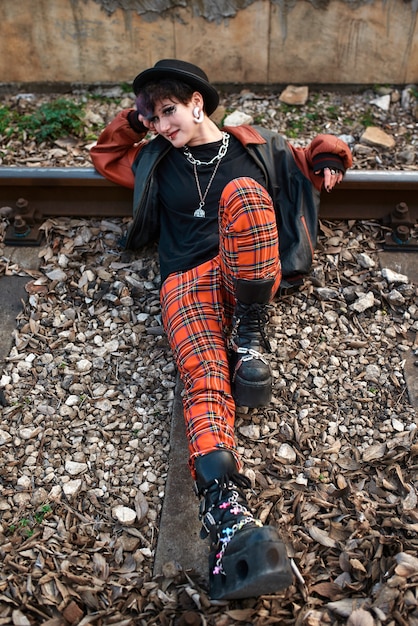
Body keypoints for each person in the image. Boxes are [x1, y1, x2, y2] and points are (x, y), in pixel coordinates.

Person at [90, 59, 352, 600]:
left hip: (247, 276)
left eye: (168, 111)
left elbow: (320, 151)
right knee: (203, 374)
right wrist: (135, 122)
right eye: (152, 115)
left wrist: (330, 154)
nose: (163, 124)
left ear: (197, 103)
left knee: (244, 196)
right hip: (186, 282)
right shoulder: (155, 158)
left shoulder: (254, 147)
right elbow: (106, 155)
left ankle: (250, 334)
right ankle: (229, 521)